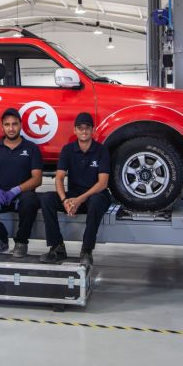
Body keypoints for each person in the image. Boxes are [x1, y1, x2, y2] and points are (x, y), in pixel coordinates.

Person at [39, 112, 111, 267]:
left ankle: (86, 250)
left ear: (93, 130)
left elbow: (103, 183)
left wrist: (79, 200)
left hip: (95, 196)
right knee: (46, 199)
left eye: (87, 128)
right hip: (74, 196)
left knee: (97, 200)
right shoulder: (68, 150)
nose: (84, 131)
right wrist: (65, 200)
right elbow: (59, 178)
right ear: (75, 130)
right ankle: (57, 248)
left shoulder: (102, 150)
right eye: (80, 128)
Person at [0, 107, 43, 258]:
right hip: (0, 195)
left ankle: (21, 242)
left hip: (21, 195)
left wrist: (16, 190)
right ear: (2, 127)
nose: (11, 128)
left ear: (21, 125)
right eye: (7, 125)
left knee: (31, 201)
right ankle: (0, 239)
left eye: (14, 124)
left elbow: (37, 179)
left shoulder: (31, 148)